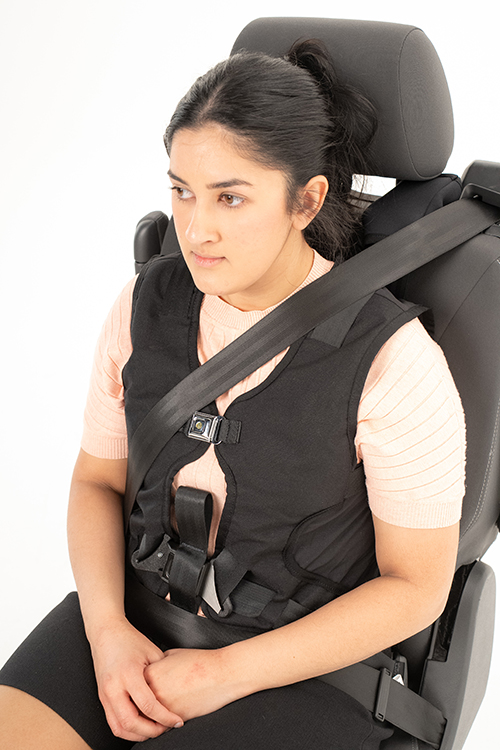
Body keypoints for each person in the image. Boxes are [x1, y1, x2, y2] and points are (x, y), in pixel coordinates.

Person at [0, 40, 465, 750]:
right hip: (133, 617)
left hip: (297, 666)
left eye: (231, 197)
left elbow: (417, 589)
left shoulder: (394, 362)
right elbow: (96, 481)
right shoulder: (144, 305)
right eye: (182, 190)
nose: (196, 229)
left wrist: (226, 672)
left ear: (306, 200)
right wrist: (106, 631)